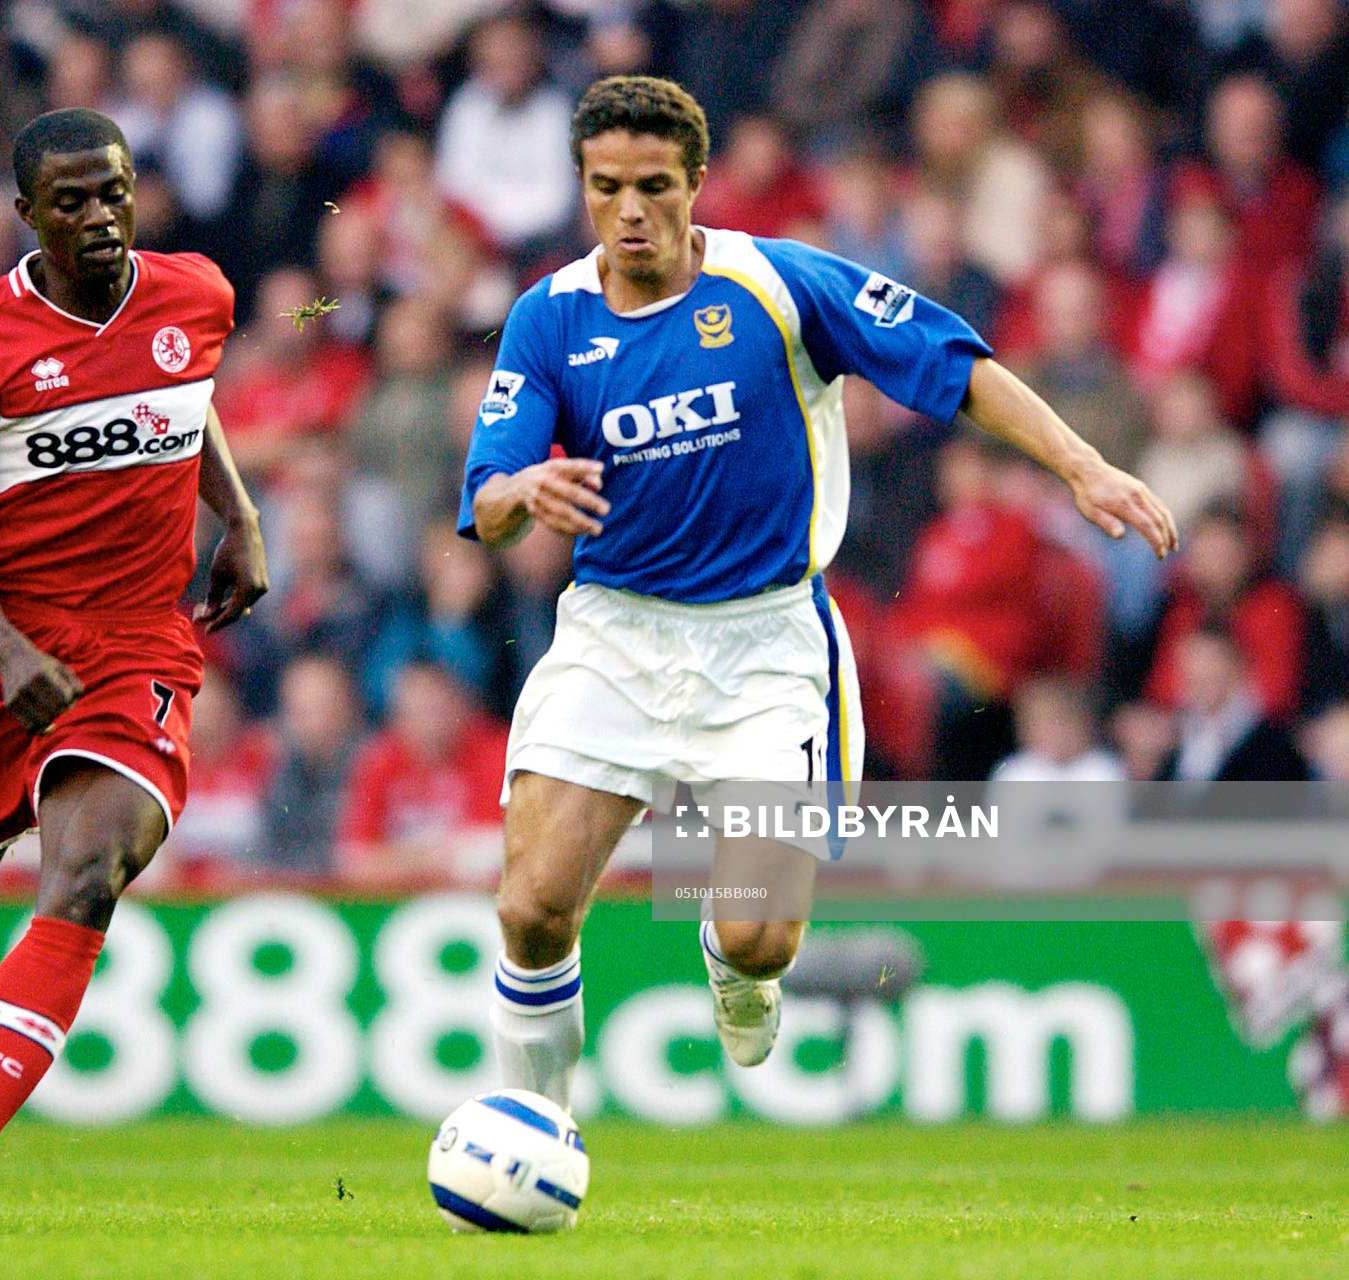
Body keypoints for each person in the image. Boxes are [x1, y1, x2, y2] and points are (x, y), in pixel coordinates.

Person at [457, 76, 1176, 1114]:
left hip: (765, 646)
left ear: (697, 183)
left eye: (653, 185)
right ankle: (531, 1131)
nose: (629, 212)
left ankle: (733, 954)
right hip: (614, 634)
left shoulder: (778, 284)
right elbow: (483, 502)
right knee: (529, 908)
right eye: (605, 186)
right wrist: (521, 487)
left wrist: (1081, 465)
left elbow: (951, 362)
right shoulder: (548, 318)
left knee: (757, 931)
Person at [0, 108, 267, 1229]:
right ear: (27, 215)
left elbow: (185, 398)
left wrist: (236, 515)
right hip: (0, 645)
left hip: (139, 634)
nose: (100, 217)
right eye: (72, 201)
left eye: (116, 192)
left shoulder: (198, 294)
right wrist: (2, 648)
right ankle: (5, 801)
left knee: (90, 871)